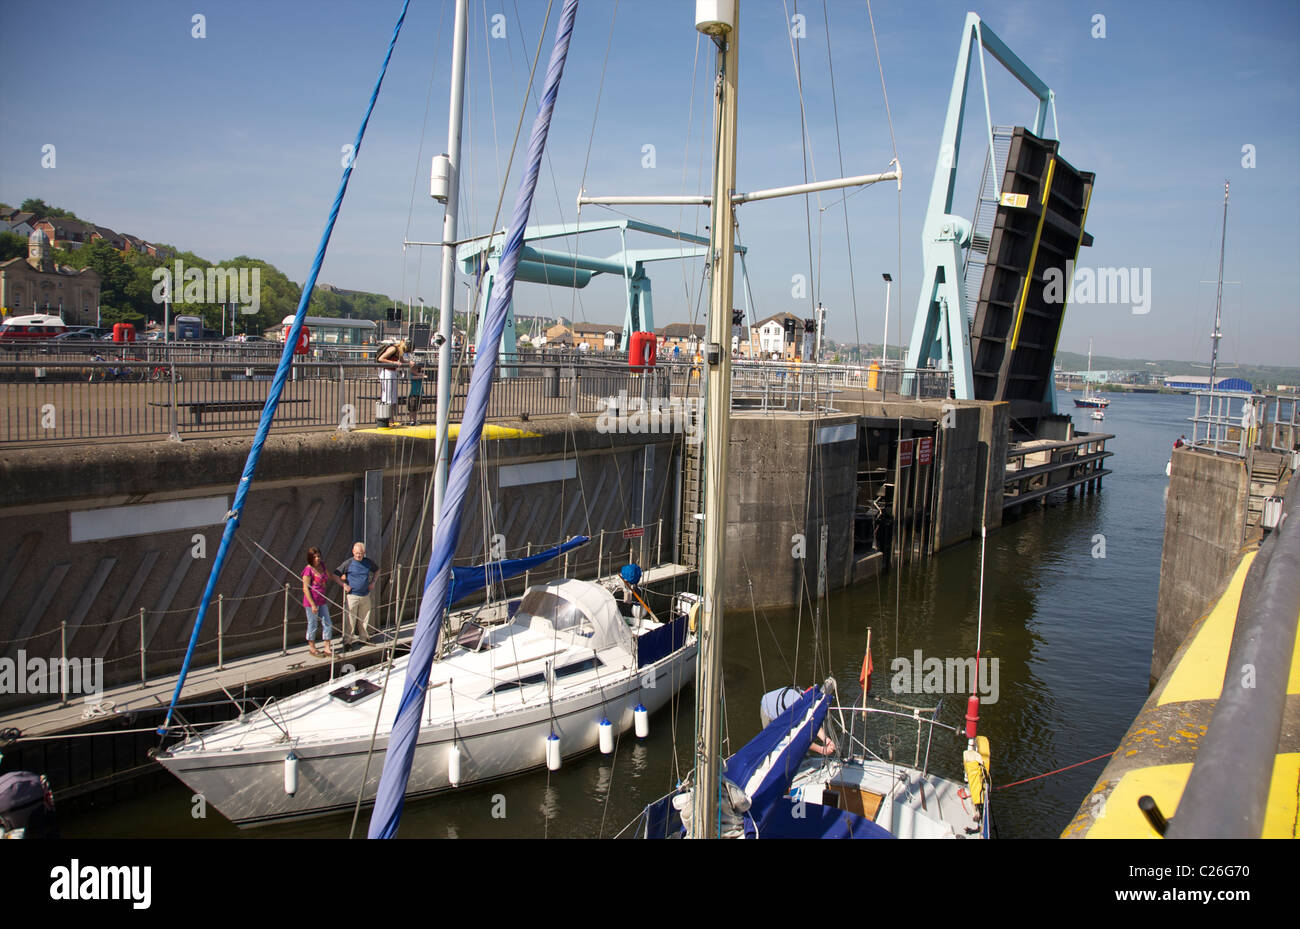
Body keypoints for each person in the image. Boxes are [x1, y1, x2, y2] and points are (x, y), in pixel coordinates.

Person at [759, 686, 836, 757]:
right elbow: (797, 736)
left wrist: (826, 739)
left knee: (800, 746)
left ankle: (803, 757)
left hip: (783, 701)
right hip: (768, 706)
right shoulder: (795, 710)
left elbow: (812, 721)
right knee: (774, 743)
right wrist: (821, 750)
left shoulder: (809, 699)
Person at [336, 542, 379, 648]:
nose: (359, 555)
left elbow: (377, 570)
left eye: (361, 553)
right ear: (353, 552)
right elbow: (335, 574)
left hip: (365, 595)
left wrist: (373, 582)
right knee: (350, 619)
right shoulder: (348, 563)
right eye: (357, 553)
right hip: (352, 596)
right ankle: (348, 642)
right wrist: (344, 585)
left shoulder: (367, 562)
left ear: (364, 553)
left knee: (364, 618)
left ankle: (363, 638)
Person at [300, 547, 339, 658]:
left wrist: (341, 578)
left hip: (322, 600)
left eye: (318, 556)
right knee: (313, 624)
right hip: (311, 601)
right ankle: (312, 647)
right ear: (310, 558)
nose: (317, 559)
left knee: (327, 622)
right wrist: (312, 604)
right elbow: (305, 588)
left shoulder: (322, 565)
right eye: (315, 557)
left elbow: (329, 576)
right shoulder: (308, 570)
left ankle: (327, 647)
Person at [375, 339, 410, 427]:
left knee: (393, 397)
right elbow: (381, 359)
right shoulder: (393, 349)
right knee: (388, 396)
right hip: (387, 372)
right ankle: (387, 419)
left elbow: (401, 361)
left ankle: (392, 419)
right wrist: (393, 362)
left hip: (392, 372)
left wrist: (409, 362)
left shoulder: (399, 351)